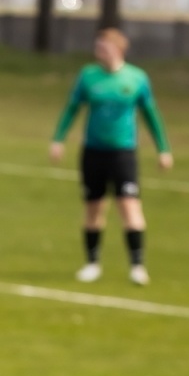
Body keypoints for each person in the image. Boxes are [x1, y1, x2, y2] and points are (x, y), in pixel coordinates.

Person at [49, 27, 173, 286]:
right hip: (93, 151)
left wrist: (163, 148)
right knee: (94, 208)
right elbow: (72, 108)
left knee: (129, 205)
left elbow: (151, 115)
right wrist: (58, 139)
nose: (98, 52)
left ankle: (137, 266)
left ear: (118, 49)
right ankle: (92, 263)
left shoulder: (136, 78)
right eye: (97, 48)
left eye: (103, 48)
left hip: (123, 152)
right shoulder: (88, 76)